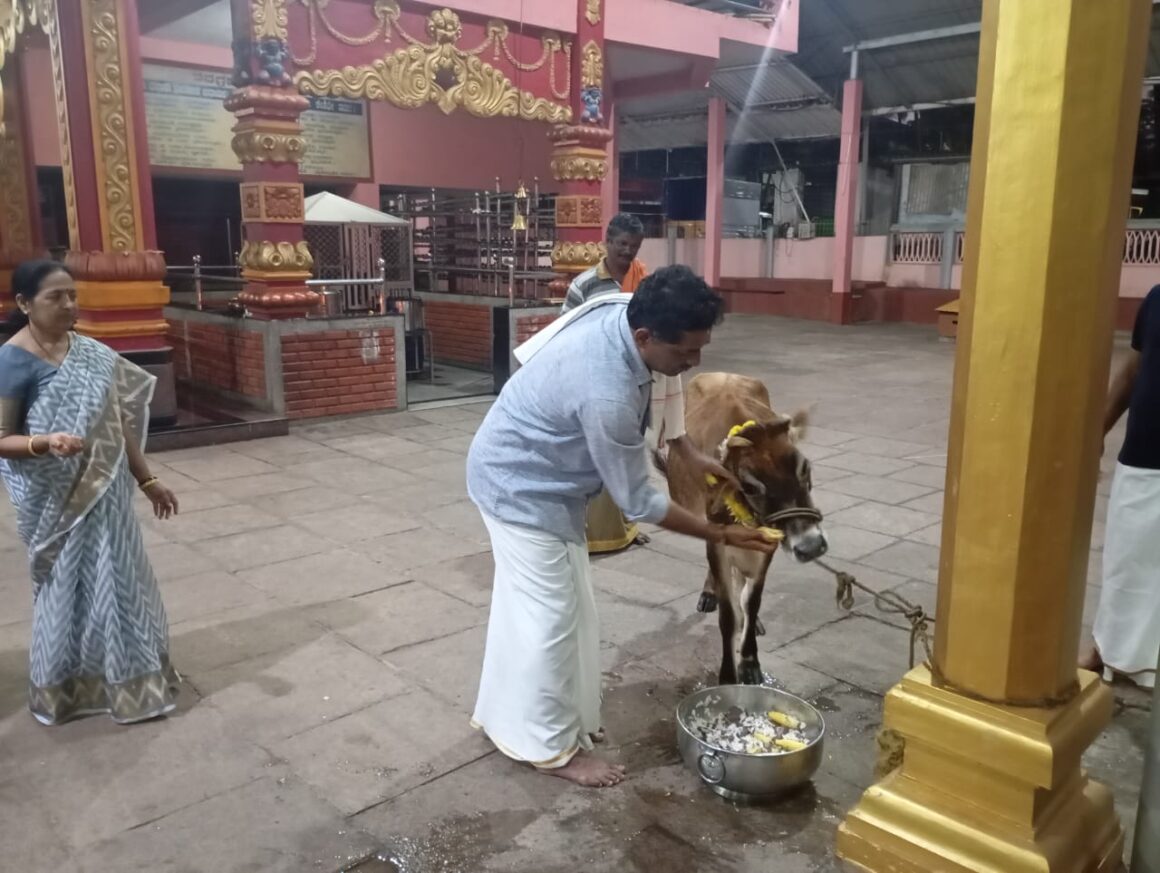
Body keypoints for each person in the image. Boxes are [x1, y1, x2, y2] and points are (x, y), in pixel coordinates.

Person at [467, 265, 776, 787]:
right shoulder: (607, 393)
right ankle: (552, 750)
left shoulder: (626, 307)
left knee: (562, 614)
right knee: (550, 623)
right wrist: (721, 533)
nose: (693, 363)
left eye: (701, 348)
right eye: (685, 352)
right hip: (520, 486)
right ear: (644, 337)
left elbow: (667, 384)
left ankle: (539, 721)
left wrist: (687, 450)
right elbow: (638, 502)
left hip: (542, 480)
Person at [0, 260, 181, 725]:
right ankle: (68, 690)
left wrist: (147, 479)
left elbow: (117, 422)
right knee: (67, 590)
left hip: (108, 494)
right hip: (55, 504)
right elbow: (2, 437)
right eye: (54, 297)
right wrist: (46, 442)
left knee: (120, 581)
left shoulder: (92, 352)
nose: (68, 305)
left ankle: (134, 682)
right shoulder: (12, 360)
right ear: (24, 304)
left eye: (72, 295)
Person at [561, 214, 720, 553]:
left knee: (633, 450)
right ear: (608, 241)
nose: (628, 252)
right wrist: (719, 535)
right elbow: (567, 328)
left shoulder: (646, 282)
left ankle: (625, 529)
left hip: (643, 372)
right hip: (600, 374)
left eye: (634, 246)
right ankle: (594, 533)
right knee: (603, 457)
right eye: (622, 245)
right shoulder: (586, 284)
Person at [1082, 284, 1160, 688]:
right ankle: (1109, 651)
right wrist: (1099, 427)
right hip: (1146, 455)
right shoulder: (1157, 299)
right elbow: (1134, 369)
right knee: (1127, 560)